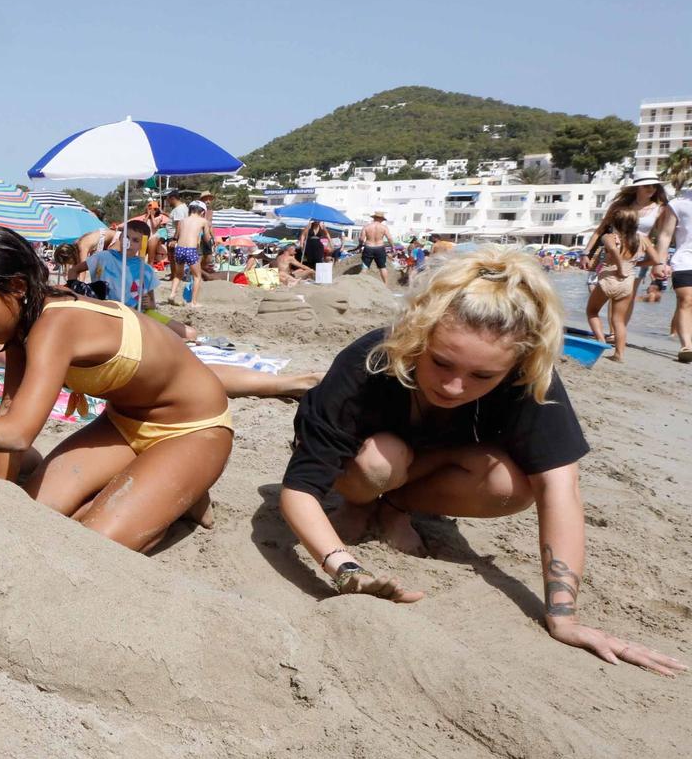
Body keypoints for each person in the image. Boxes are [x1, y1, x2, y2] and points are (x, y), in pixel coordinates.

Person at [277, 247, 683, 675]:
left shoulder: (528, 375)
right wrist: (345, 570)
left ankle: (396, 505)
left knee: (510, 487)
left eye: (482, 377)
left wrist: (564, 617)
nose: (454, 387)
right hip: (364, 461)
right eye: (441, 363)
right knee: (380, 461)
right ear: (420, 334)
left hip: (429, 463)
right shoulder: (370, 361)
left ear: (515, 365)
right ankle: (363, 504)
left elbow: (559, 488)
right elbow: (301, 488)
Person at [0, 226, 233, 552]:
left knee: (94, 540)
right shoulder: (22, 323)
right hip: (121, 425)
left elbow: (17, 434)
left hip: (193, 431)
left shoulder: (57, 324)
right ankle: (157, 485)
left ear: (17, 287)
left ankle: (179, 495)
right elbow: (9, 412)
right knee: (33, 515)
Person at [584, 206, 665, 362]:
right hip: (628, 281)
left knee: (592, 311)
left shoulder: (610, 237)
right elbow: (656, 260)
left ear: (616, 222)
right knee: (619, 320)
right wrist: (636, 265)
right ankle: (619, 354)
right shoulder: (642, 239)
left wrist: (620, 267)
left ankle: (600, 342)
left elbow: (613, 250)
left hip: (610, 279)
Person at [668, 177, 692, 362]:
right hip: (684, 260)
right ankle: (687, 346)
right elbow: (664, 234)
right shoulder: (678, 204)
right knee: (686, 300)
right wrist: (660, 261)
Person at [172, 203, 211, 303]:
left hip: (179, 249)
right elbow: (207, 238)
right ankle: (194, 302)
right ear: (202, 212)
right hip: (191, 250)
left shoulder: (182, 220)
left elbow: (178, 234)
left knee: (178, 275)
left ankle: (172, 294)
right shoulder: (203, 221)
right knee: (197, 276)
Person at [358, 212, 392, 278]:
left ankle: (360, 283)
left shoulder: (366, 227)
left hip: (368, 247)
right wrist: (393, 247)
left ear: (374, 218)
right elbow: (389, 238)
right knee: (382, 267)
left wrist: (360, 245)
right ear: (381, 219)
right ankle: (385, 285)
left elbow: (362, 239)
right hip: (380, 248)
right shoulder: (384, 227)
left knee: (365, 267)